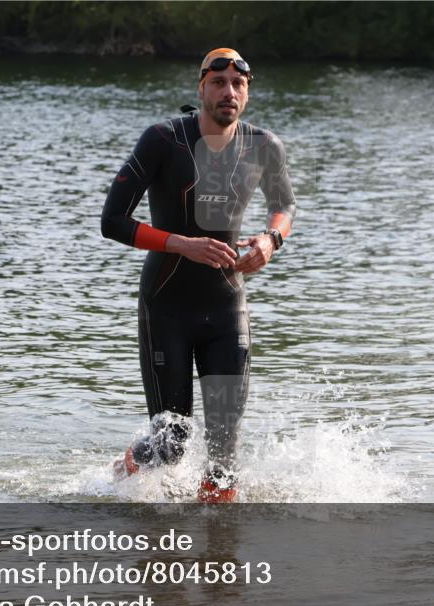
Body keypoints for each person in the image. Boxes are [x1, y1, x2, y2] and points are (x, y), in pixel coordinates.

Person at [101, 48, 296, 503]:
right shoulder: (162, 140)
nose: (228, 91)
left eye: (238, 84)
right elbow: (113, 220)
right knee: (171, 444)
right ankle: (128, 466)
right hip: (166, 305)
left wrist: (271, 240)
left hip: (227, 308)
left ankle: (219, 557)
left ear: (247, 92)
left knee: (225, 456)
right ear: (201, 88)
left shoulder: (264, 145)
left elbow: (284, 206)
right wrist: (181, 243)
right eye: (218, 82)